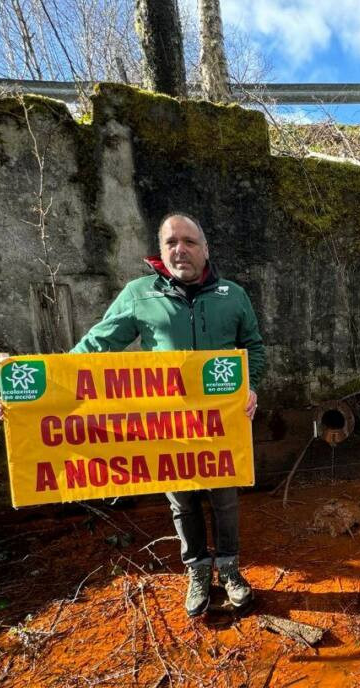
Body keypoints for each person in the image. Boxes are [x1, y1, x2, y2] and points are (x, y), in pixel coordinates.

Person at [70, 212, 266, 616]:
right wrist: (35, 399)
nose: (180, 249)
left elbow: (255, 347)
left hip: (221, 423)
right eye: (171, 242)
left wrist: (250, 385)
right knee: (183, 501)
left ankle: (229, 569)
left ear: (205, 249)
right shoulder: (139, 294)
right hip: (168, 426)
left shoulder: (233, 295)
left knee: (225, 499)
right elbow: (93, 349)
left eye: (189, 241)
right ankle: (197, 571)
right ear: (160, 251)